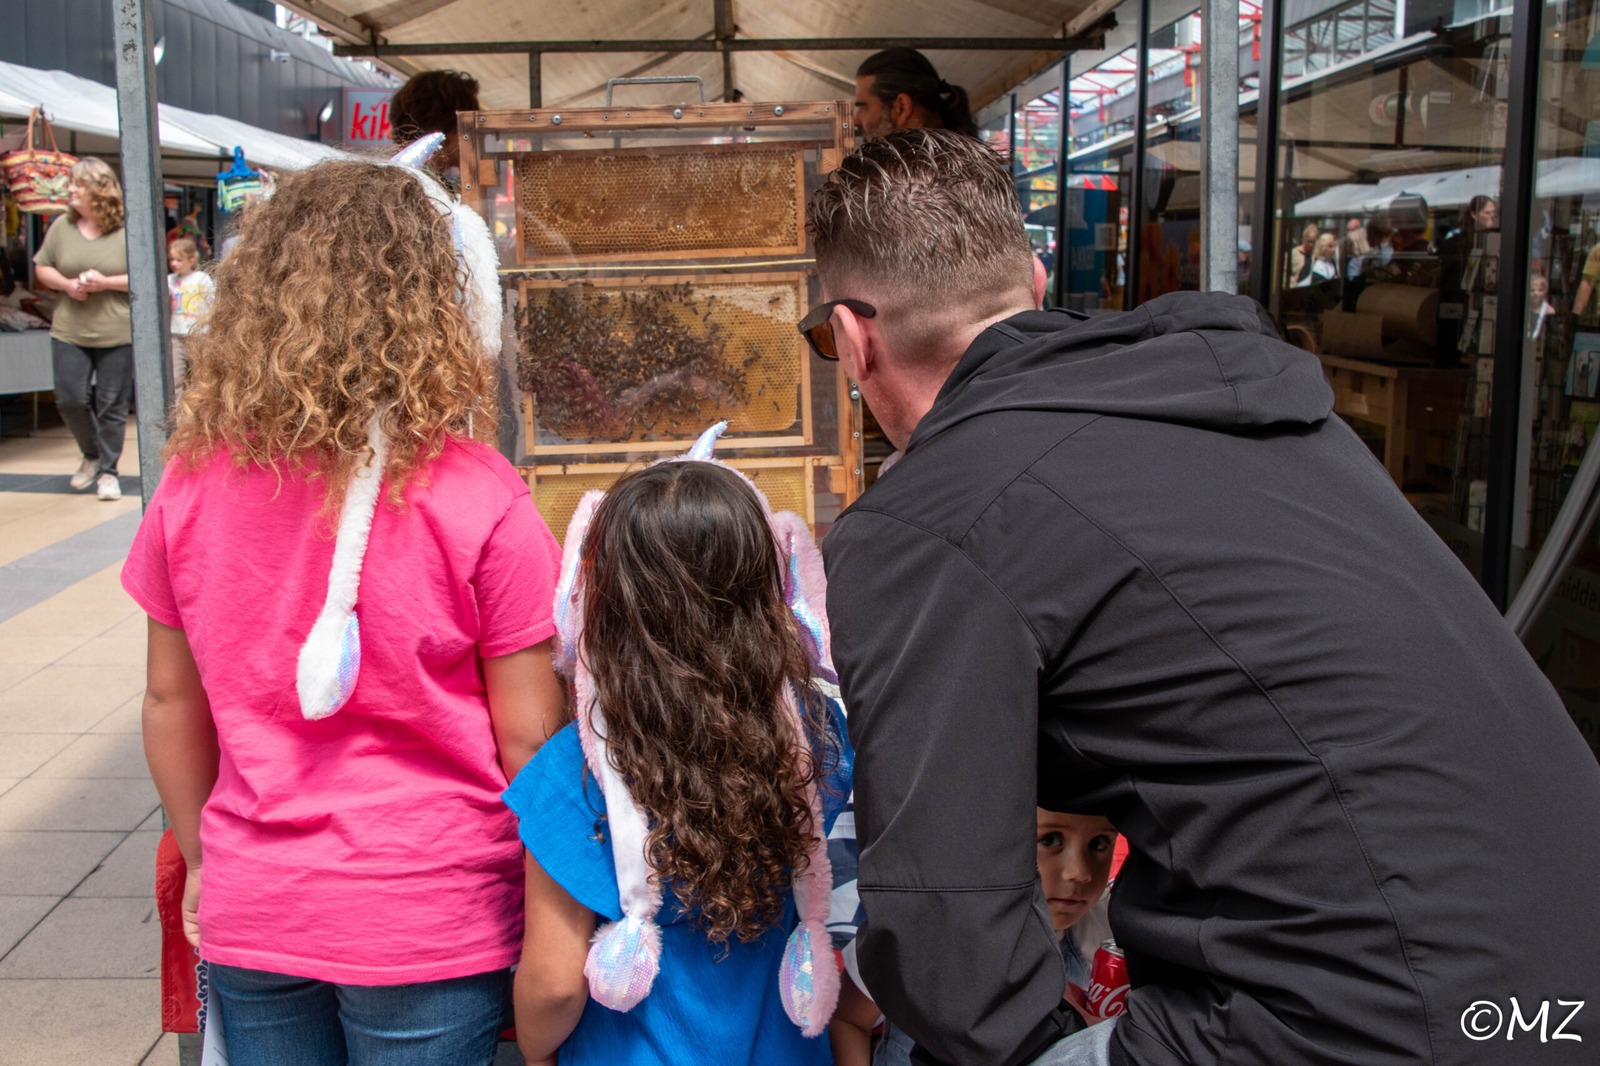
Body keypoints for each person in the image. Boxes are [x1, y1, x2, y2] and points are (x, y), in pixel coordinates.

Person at [808, 129, 1600, 1066]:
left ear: (856, 340)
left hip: (1368, 1018)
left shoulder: (929, 520)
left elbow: (947, 936)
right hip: (1562, 979)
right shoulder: (1258, 407)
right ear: (1031, 279)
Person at [124, 148, 567, 1065]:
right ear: (434, 306)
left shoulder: (192, 484)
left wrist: (202, 855)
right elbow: (531, 740)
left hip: (258, 895)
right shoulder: (481, 494)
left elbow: (173, 702)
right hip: (431, 910)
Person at [502, 451, 853, 1066]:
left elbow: (554, 983)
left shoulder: (575, 773)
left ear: (601, 603)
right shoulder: (816, 738)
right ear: (769, 591)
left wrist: (534, 1056)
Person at [829, 810, 1119, 1066]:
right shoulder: (921, 930)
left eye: (1099, 844)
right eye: (1050, 840)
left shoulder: (1109, 930)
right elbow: (849, 1019)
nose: (1080, 873)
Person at [32, 157, 132, 501]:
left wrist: (105, 282)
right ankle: (91, 454)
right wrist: (66, 284)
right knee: (70, 398)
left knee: (111, 405)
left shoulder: (126, 230)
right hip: (70, 328)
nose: (70, 190)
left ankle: (108, 471)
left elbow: (147, 275)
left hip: (116, 331)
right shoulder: (62, 226)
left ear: (99, 191)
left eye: (78, 184)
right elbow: (41, 267)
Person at [854, 48, 978, 140]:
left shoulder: (922, 171)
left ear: (902, 107)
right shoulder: (961, 160)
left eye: (864, 108)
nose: (856, 120)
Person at [390, 69, 481, 178]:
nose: (476, 134)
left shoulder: (391, 179)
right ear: (445, 127)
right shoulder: (424, 188)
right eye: (470, 125)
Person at [166, 237, 214, 386]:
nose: (174, 264)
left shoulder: (202, 279)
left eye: (179, 260)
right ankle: (178, 408)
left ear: (191, 260)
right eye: (172, 259)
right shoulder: (169, 280)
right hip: (176, 333)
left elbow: (213, 302)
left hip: (199, 335)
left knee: (200, 376)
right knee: (176, 377)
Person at [1285, 223, 1317, 287]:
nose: (1311, 245)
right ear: (1303, 240)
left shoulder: (1315, 256)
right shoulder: (1293, 253)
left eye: (1313, 242)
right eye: (1309, 241)